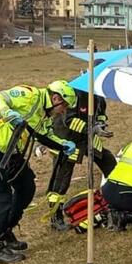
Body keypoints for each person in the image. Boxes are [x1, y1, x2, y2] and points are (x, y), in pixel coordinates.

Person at [0, 80, 78, 264]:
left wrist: (63, 145)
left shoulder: (44, 114)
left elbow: (43, 134)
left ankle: (6, 230)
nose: (64, 111)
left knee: (27, 186)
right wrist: (7, 113)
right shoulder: (29, 95)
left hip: (10, 149)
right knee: (1, 195)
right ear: (55, 98)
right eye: (64, 106)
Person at [46, 88, 117, 230]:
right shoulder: (76, 94)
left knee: (108, 161)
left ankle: (116, 200)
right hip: (66, 140)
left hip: (86, 137)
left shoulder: (99, 96)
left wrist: (101, 125)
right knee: (62, 178)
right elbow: (69, 120)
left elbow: (100, 114)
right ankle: (56, 217)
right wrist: (91, 128)